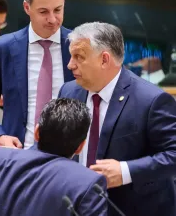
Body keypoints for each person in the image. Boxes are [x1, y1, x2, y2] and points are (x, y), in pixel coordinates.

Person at [59, 22, 176, 216]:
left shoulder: (152, 100)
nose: (70, 64)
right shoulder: (69, 90)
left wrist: (126, 171)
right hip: (76, 205)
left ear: (104, 60)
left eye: (79, 57)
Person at [0, 0, 75, 149]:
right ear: (27, 7)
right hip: (18, 155)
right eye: (43, 11)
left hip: (69, 158)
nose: (52, 19)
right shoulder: (4, 48)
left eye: (58, 10)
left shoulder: (79, 47)